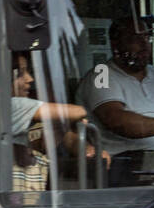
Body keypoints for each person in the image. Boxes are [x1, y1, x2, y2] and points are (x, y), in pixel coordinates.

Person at [76, 15, 154, 186]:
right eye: (135, 38)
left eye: (146, 37)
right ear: (115, 44)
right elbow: (115, 119)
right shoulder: (101, 73)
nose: (144, 44)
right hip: (126, 161)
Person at [10, 51, 107, 192]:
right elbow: (79, 111)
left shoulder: (25, 114)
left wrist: (87, 149)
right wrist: (70, 118)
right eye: (20, 74)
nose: (29, 79)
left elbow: (51, 139)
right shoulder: (13, 105)